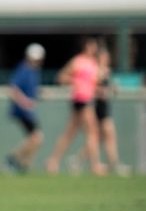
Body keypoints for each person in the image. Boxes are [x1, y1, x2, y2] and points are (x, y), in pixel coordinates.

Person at [44, 37, 107, 175]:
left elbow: (94, 84)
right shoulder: (77, 61)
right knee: (92, 132)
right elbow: (60, 77)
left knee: (71, 133)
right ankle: (95, 165)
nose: (94, 49)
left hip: (88, 98)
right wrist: (75, 81)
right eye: (91, 46)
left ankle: (53, 160)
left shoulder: (94, 64)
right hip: (81, 100)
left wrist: (100, 90)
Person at [3, 43, 45, 173]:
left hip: (27, 111)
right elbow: (13, 89)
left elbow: (31, 90)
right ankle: (13, 160)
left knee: (35, 139)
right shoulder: (24, 69)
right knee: (36, 137)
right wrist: (24, 102)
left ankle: (23, 164)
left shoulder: (33, 71)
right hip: (22, 111)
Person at [94, 42, 131, 176]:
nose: (107, 59)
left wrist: (112, 89)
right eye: (104, 57)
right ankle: (113, 165)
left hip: (105, 106)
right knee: (105, 136)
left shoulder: (107, 71)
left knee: (100, 138)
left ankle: (78, 161)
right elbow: (93, 88)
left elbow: (108, 89)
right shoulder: (97, 70)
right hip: (98, 107)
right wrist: (102, 91)